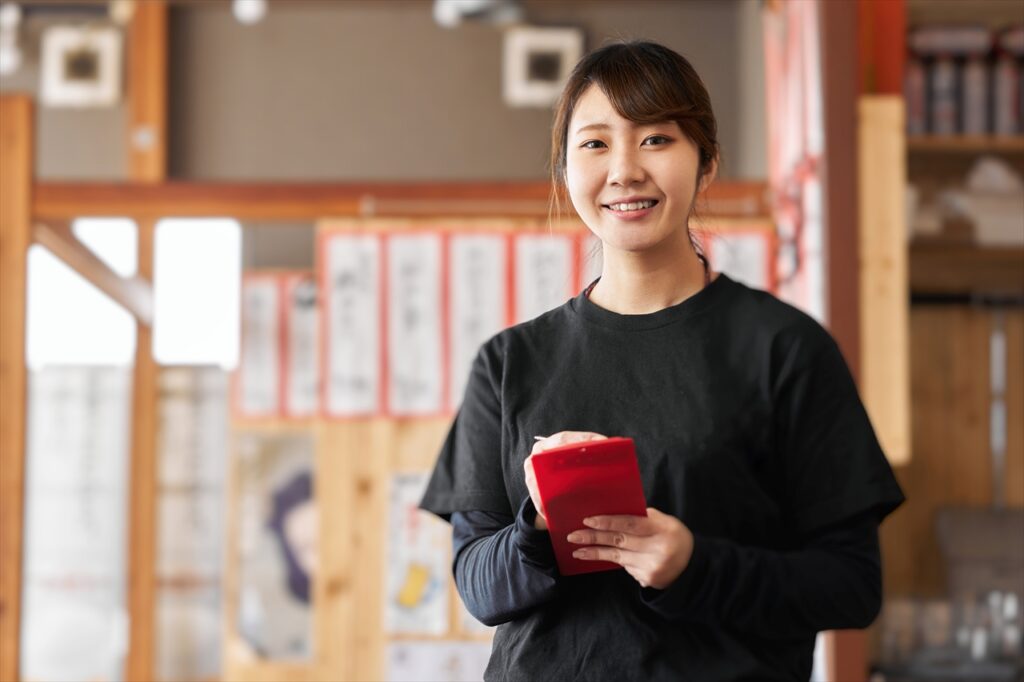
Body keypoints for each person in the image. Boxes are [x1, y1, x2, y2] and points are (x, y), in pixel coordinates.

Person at [419, 40, 905, 682]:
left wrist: (694, 565)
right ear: (566, 171)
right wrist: (537, 524)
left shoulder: (782, 348)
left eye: (655, 139)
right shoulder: (511, 363)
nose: (624, 170)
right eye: (595, 144)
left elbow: (851, 584)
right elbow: (480, 589)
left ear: (705, 164)